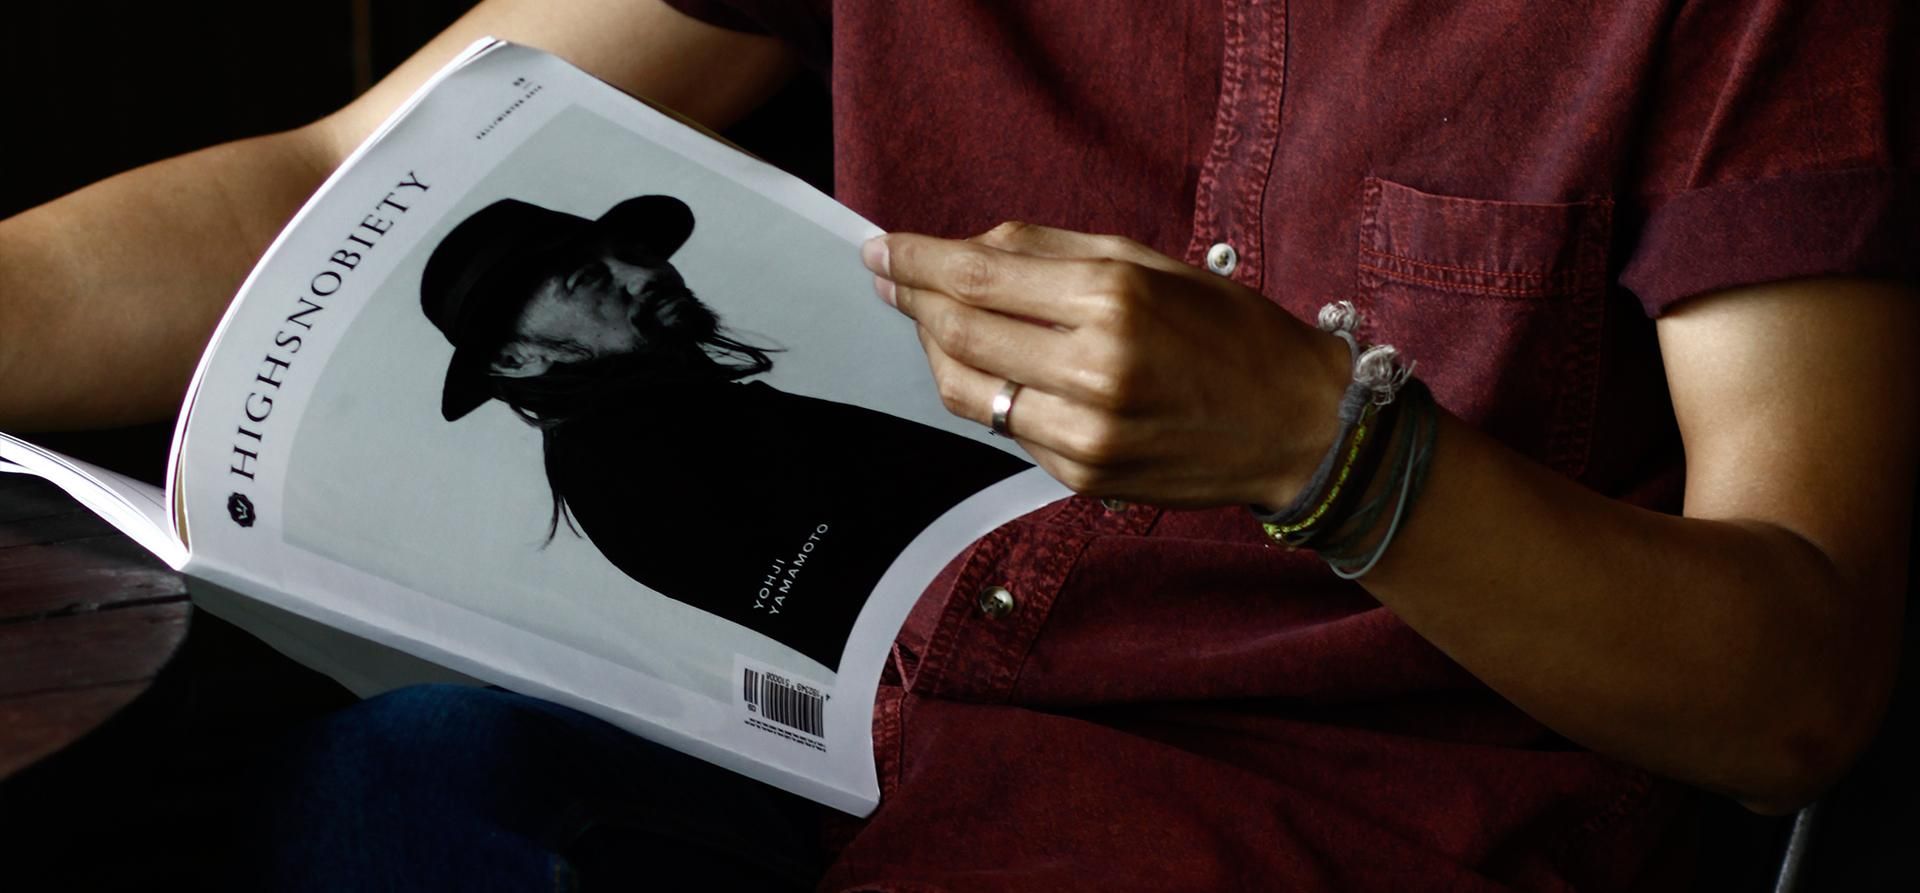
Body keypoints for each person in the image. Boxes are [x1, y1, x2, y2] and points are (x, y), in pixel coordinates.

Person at [0, 0, 1914, 890]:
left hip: (1359, 822)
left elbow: (1795, 688)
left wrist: (1327, 451)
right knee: (368, 797)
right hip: (886, 755)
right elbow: (338, 162)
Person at [420, 193, 1029, 668]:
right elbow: (953, 620)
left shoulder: (679, 417)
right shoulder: (626, 461)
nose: (643, 274)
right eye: (588, 280)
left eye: (631, 251)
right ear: (514, 359)